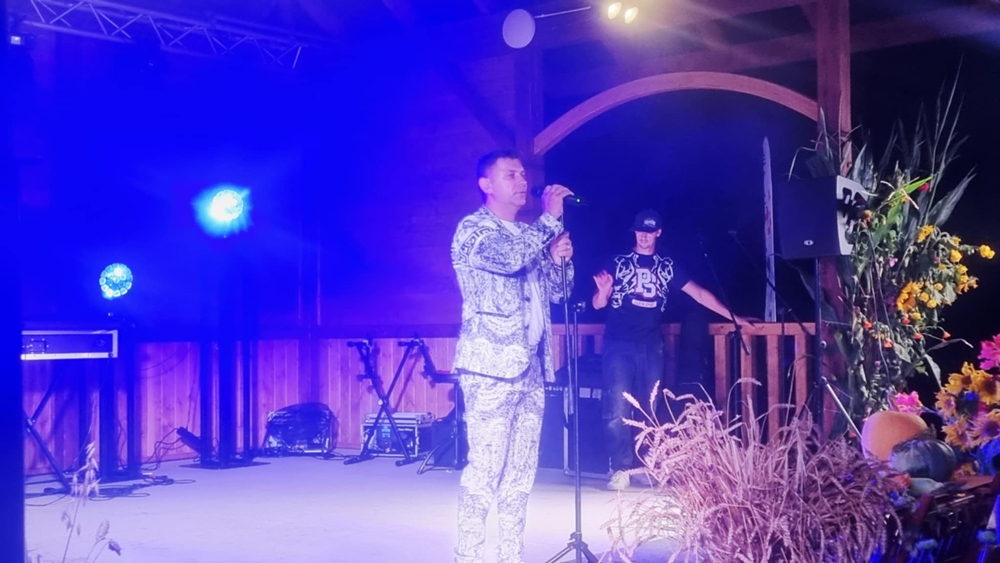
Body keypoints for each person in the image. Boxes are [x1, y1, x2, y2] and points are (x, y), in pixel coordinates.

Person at [450, 149, 575, 563]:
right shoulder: (473, 230)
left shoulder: (529, 234)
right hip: (489, 368)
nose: (522, 181)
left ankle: (510, 556)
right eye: (511, 174)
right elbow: (508, 260)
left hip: (531, 368)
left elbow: (558, 293)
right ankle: (468, 556)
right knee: (485, 470)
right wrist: (550, 222)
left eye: (523, 174)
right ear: (486, 185)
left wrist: (561, 261)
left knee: (521, 474)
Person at [592, 208, 753, 491]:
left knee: (650, 407)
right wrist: (603, 293)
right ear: (634, 232)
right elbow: (597, 304)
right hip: (618, 343)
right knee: (616, 406)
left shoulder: (667, 266)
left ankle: (645, 465)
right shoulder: (617, 262)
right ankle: (620, 467)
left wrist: (735, 318)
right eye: (639, 231)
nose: (643, 237)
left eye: (649, 232)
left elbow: (699, 294)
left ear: (658, 233)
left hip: (651, 343)